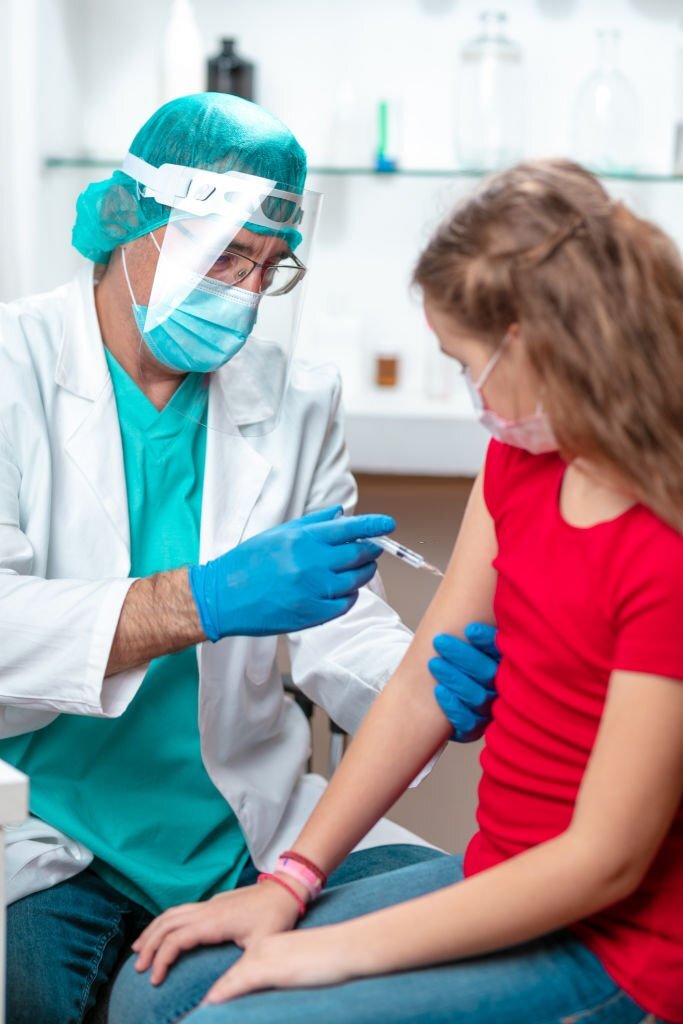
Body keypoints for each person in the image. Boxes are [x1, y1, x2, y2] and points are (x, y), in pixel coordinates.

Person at [110, 159, 683, 1024]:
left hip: (618, 936)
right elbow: (421, 676)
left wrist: (319, 954)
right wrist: (288, 887)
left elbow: (600, 863)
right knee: (157, 992)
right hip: (501, 868)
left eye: (465, 362)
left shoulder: (664, 545)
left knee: (232, 1015)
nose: (471, 394)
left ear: (534, 343)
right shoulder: (520, 460)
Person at [0, 92, 498, 1024]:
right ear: (131, 222)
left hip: (251, 830)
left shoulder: (297, 397)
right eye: (224, 253)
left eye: (270, 267)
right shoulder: (11, 369)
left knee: (457, 932)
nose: (245, 292)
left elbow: (334, 623)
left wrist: (421, 681)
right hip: (49, 841)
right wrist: (201, 600)